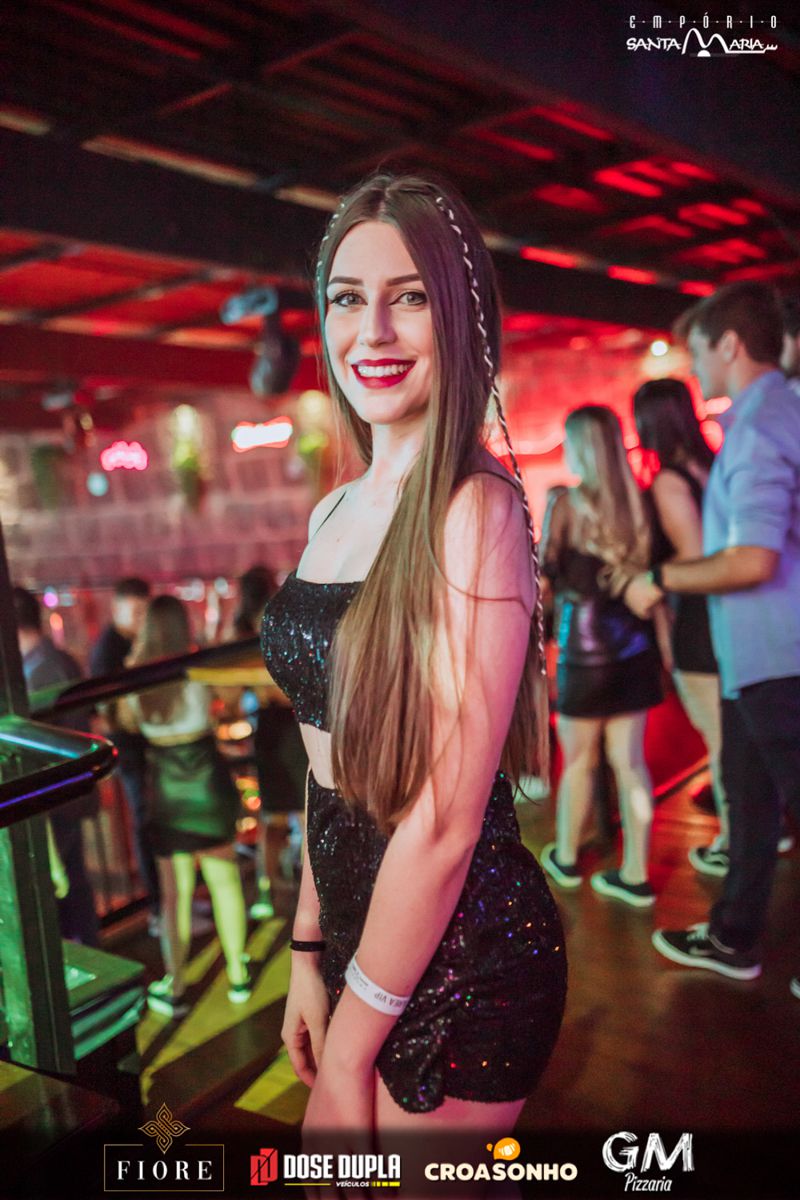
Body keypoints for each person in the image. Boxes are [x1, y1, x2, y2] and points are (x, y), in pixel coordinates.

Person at [260, 173, 566, 1159]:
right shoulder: (333, 511)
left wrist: (348, 1059)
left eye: (410, 298)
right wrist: (307, 951)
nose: (374, 331)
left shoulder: (475, 511)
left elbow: (442, 821)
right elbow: (324, 773)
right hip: (359, 941)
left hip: (466, 954)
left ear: (460, 318)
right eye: (349, 298)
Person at [625, 282, 800, 997]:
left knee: (766, 800)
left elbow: (751, 559)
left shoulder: (761, 427)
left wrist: (657, 578)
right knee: (749, 802)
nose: (694, 367)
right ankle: (733, 936)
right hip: (754, 656)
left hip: (777, 654)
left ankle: (735, 934)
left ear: (730, 344)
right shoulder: (774, 413)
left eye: (698, 351)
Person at [537, 406, 665, 909]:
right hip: (634, 648)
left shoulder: (565, 503)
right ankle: (636, 874)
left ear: (580, 447)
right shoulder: (638, 502)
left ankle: (567, 857)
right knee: (630, 764)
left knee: (578, 762)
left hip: (584, 652)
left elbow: (545, 576)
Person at [121, 595, 250, 1018]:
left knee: (174, 894)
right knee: (225, 882)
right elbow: (231, 700)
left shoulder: (135, 677)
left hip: (166, 785)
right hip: (206, 780)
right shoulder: (198, 668)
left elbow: (124, 722)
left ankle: (175, 985)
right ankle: (238, 976)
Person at [633, 378, 728, 876]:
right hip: (733, 612)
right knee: (734, 733)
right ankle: (758, 829)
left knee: (720, 738)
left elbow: (695, 557)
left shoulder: (670, 481)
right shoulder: (714, 465)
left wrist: (650, 582)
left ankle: (735, 840)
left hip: (700, 619)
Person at [12, 585, 100, 946]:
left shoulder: (40, 671)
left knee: (62, 885)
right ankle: (89, 949)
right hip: (70, 789)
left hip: (58, 793)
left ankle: (82, 954)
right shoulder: (55, 659)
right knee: (73, 879)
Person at [233, 565, 308, 919]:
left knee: (273, 816)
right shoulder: (279, 619)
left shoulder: (240, 630)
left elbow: (237, 691)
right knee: (303, 813)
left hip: (266, 726)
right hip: (289, 724)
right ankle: (310, 891)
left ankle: (269, 889)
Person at [89, 576, 160, 931]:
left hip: (143, 745)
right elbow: (107, 711)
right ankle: (159, 909)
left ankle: (167, 902)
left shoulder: (135, 641)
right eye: (136, 612)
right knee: (145, 823)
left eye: (146, 612)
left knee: (154, 822)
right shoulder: (108, 651)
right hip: (129, 750)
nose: (142, 619)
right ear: (117, 609)